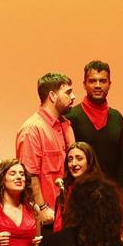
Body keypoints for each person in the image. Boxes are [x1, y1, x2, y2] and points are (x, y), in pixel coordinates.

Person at [16, 72, 76, 233]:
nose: (73, 97)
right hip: (46, 218)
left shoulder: (67, 126)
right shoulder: (32, 129)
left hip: (68, 215)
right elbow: (29, 175)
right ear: (52, 96)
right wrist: (42, 208)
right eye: (68, 92)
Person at [65, 60, 123, 188]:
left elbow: (120, 162)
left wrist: (122, 194)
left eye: (103, 81)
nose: (98, 85)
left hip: (110, 193)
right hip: (79, 192)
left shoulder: (117, 118)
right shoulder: (70, 117)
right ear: (84, 84)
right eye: (92, 81)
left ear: (109, 84)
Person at [52, 142, 101, 231]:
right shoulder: (65, 191)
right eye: (70, 160)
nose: (73, 163)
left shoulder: (99, 191)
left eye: (79, 158)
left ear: (89, 161)